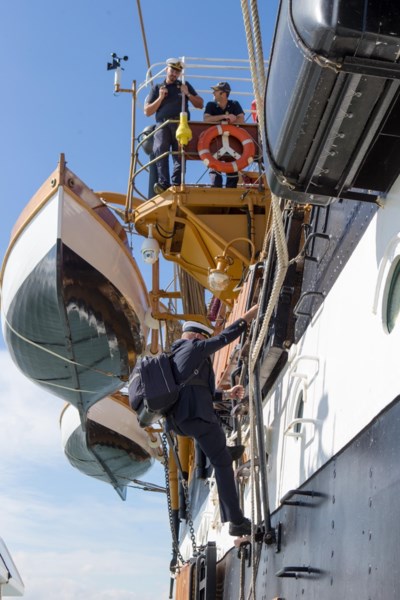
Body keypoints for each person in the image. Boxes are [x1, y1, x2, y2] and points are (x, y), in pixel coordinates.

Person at [166, 304, 259, 536]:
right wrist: (249, 315)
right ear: (198, 336)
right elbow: (225, 338)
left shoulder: (174, 357)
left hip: (181, 421)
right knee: (222, 463)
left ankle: (225, 451)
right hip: (197, 417)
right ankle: (237, 522)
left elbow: (194, 390)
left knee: (216, 445)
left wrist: (226, 394)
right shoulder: (195, 347)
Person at [144, 58, 204, 195]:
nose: (174, 74)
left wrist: (187, 93)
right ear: (167, 70)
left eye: (177, 72)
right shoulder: (157, 88)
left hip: (180, 124)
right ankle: (164, 183)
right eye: (172, 70)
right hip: (163, 124)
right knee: (160, 150)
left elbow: (200, 104)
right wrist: (160, 97)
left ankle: (177, 182)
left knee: (179, 153)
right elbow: (147, 111)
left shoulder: (184, 85)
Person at [203, 82, 245, 189]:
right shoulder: (211, 105)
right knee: (214, 164)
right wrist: (224, 117)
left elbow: (242, 120)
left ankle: (231, 190)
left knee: (232, 164)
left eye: (216, 91)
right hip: (215, 141)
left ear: (223, 94)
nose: (213, 92)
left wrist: (233, 119)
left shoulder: (235, 104)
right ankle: (215, 187)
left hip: (232, 141)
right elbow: (206, 119)